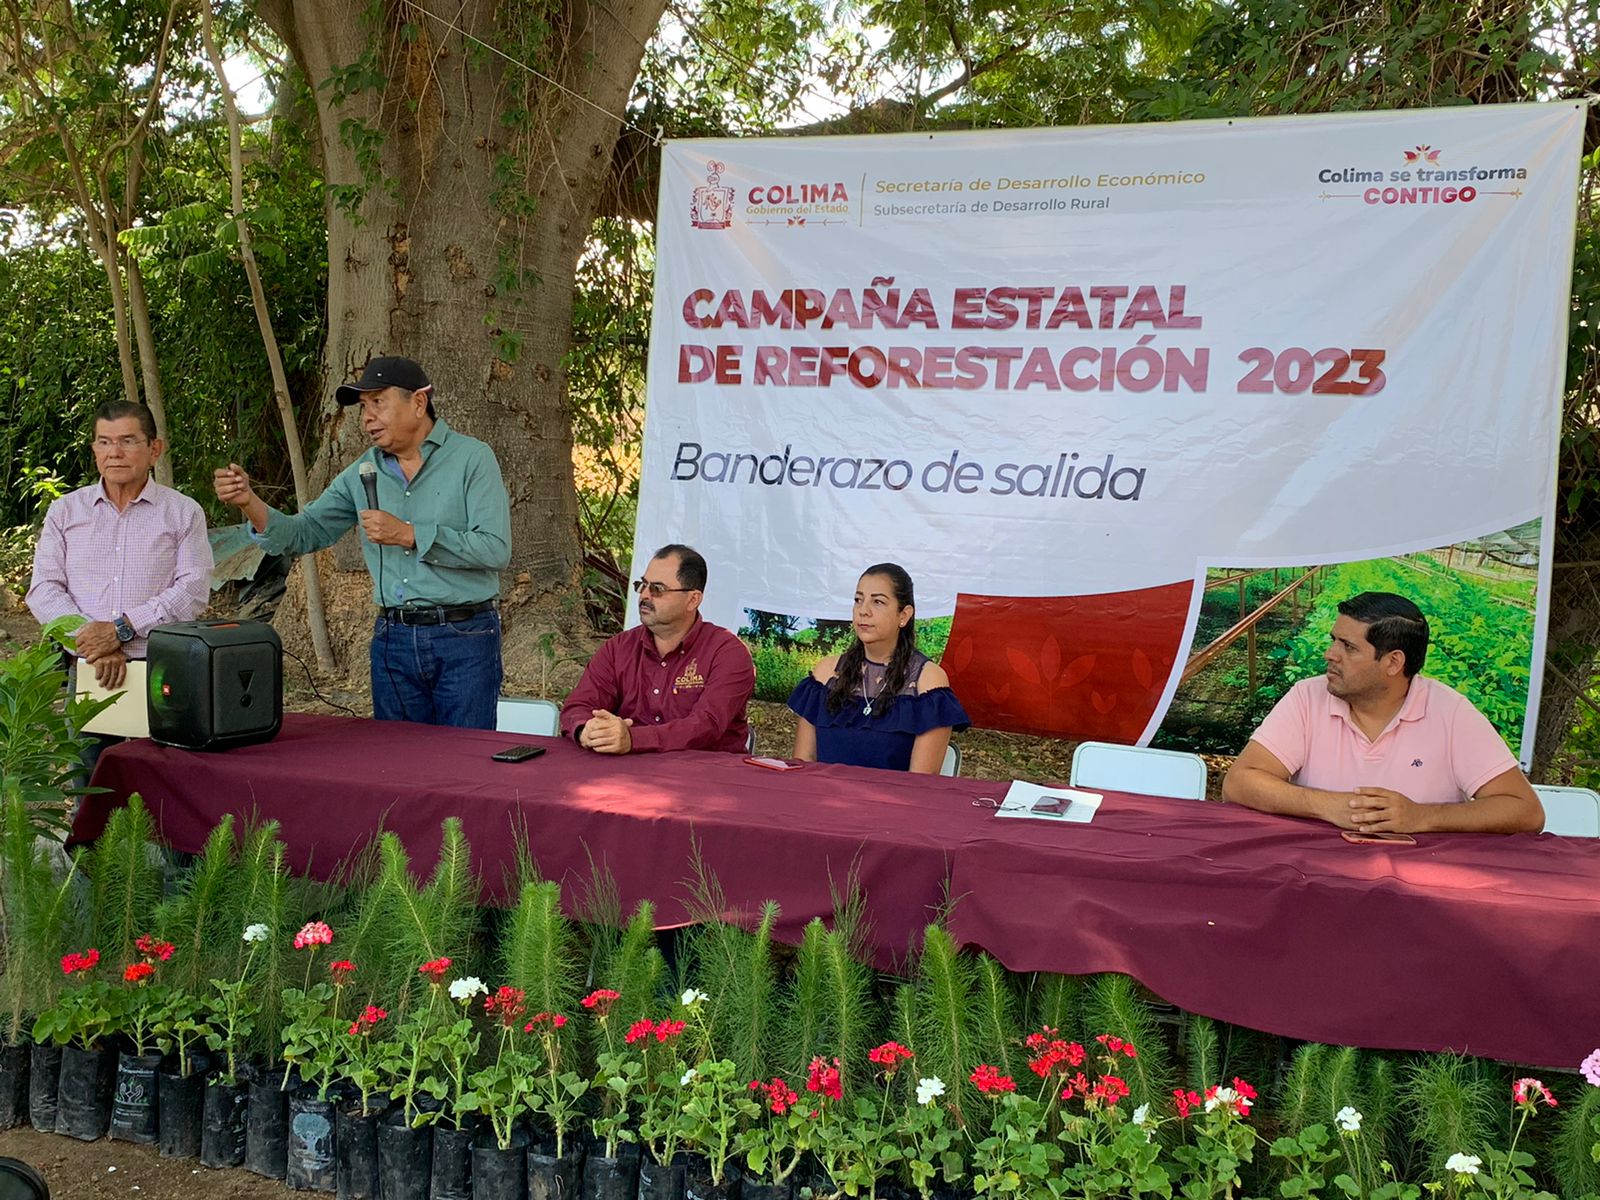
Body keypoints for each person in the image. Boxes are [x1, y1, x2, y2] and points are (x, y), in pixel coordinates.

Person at [213, 356, 510, 729]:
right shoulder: (362, 473)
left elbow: (494, 548)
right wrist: (249, 502)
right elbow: (304, 533)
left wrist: (409, 533)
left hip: (464, 636)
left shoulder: (472, 458)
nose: (367, 417)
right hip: (393, 638)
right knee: (399, 758)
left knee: (466, 757)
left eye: (378, 402)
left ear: (419, 402)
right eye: (363, 407)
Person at [1221, 591, 1543, 834]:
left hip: (1421, 878)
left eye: (1348, 647)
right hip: (1315, 869)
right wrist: (1326, 805)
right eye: (1333, 640)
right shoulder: (1308, 697)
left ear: (1393, 662)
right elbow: (1239, 783)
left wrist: (1423, 817)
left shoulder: (1451, 712)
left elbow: (1525, 811)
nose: (1330, 654)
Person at [27, 401, 212, 690]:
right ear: (94, 450)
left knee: (162, 723)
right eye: (104, 442)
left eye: (128, 441)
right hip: (88, 667)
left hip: (162, 666)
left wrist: (122, 629)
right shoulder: (66, 511)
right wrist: (93, 642)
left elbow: (193, 589)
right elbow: (43, 589)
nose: (114, 453)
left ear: (154, 449)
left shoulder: (182, 512)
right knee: (86, 723)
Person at [560, 544, 754, 753]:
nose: (644, 595)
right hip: (626, 768)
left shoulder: (727, 653)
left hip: (706, 769)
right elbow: (578, 707)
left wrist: (634, 739)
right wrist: (587, 729)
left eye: (657, 589)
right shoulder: (618, 648)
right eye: (642, 585)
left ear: (693, 600)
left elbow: (707, 725)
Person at [788, 563, 969, 773]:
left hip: (893, 795)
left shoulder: (927, 680)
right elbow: (802, 765)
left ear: (904, 615)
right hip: (821, 792)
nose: (863, 611)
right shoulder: (825, 673)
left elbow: (920, 782)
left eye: (878, 602)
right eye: (858, 600)